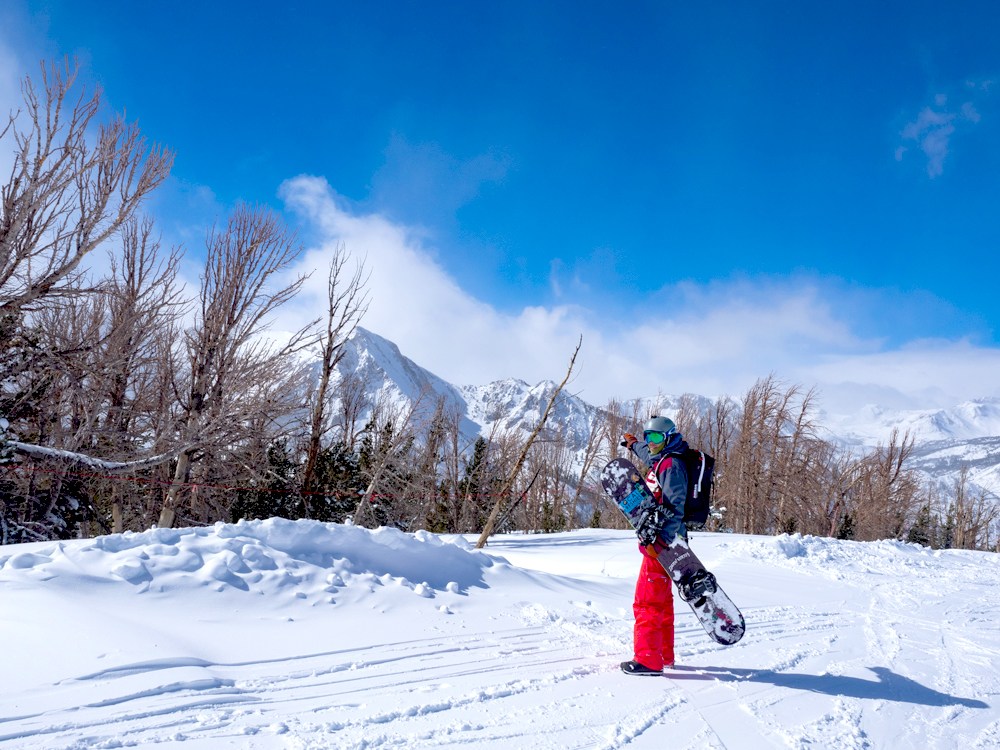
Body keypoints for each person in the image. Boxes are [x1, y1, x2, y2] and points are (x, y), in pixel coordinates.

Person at [618, 415, 689, 675]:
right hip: (664, 542)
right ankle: (664, 654)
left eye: (656, 438)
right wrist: (633, 444)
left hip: (662, 543)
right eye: (648, 438)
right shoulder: (662, 459)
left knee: (647, 602)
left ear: (669, 437)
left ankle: (648, 660)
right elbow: (647, 456)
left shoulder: (671, 466)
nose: (652, 443)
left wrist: (659, 542)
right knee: (662, 601)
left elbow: (675, 507)